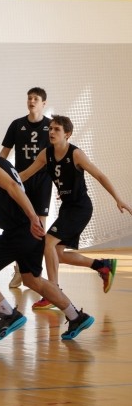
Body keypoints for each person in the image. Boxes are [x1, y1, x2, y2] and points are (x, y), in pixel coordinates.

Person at [0, 121, 94, 342]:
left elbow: (14, 188)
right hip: (29, 232)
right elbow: (12, 202)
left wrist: (32, 218)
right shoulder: (3, 163)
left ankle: (8, 314)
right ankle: (76, 316)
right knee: (33, 280)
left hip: (20, 233)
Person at [17, 115, 131, 309]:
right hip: (67, 208)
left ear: (67, 134)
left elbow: (100, 175)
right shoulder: (46, 154)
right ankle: (102, 266)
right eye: (50, 129)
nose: (52, 132)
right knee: (58, 254)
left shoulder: (76, 154)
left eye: (57, 129)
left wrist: (118, 199)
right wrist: (3, 182)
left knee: (48, 243)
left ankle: (53, 293)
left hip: (80, 208)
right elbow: (26, 174)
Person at [0, 87, 53, 292]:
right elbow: (3, 153)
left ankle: (35, 271)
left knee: (39, 227)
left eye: (35, 99)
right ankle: (20, 269)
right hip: (20, 180)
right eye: (29, 98)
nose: (31, 101)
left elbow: (58, 155)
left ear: (43, 103)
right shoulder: (17, 124)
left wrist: (61, 182)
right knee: (21, 225)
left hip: (43, 181)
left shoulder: (51, 126)